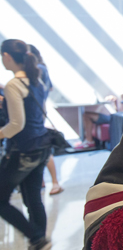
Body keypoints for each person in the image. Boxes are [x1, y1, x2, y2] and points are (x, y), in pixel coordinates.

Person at [0, 39, 52, 250]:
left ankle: (36, 236)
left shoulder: (14, 84)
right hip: (40, 146)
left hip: (22, 151)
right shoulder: (36, 80)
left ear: (7, 57)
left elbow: (16, 124)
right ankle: (39, 239)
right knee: (33, 198)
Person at [29, 44, 63, 196]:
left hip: (36, 113)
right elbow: (49, 88)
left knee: (42, 147)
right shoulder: (42, 68)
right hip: (38, 111)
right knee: (38, 146)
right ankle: (44, 180)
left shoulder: (39, 69)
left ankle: (54, 182)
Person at [77, 79, 123, 150]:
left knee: (87, 115)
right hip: (116, 117)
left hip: (118, 120)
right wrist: (116, 102)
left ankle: (89, 141)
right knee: (86, 114)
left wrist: (121, 100)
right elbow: (118, 111)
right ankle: (87, 140)